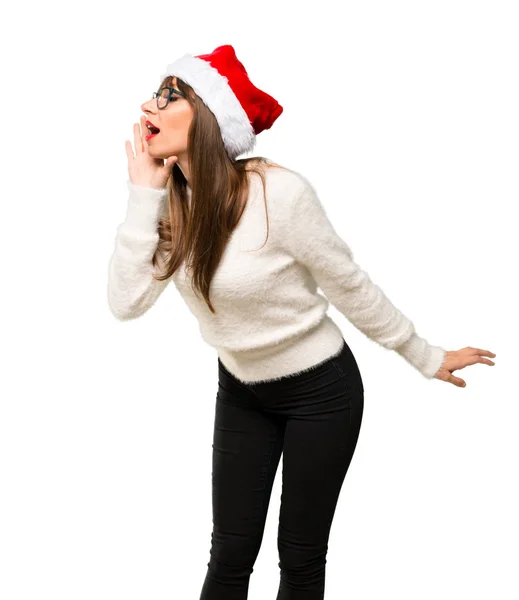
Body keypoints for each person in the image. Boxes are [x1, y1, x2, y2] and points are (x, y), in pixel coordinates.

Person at [107, 44, 496, 600]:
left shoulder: (278, 194)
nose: (148, 105)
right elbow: (126, 302)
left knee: (300, 556)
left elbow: (348, 283)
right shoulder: (171, 204)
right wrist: (142, 196)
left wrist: (425, 354)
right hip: (240, 390)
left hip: (322, 393)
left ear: (212, 118)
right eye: (154, 92)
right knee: (231, 553)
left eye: (170, 96)